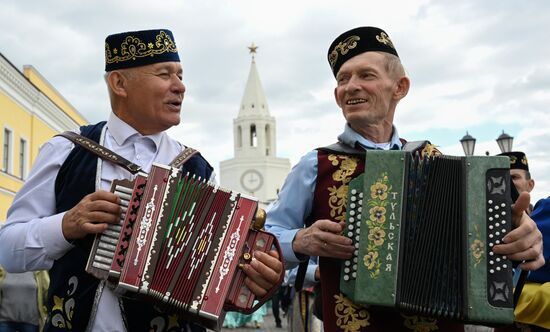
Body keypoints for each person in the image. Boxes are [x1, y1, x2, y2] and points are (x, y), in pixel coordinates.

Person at [0, 29, 283, 332]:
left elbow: (214, 281)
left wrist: (254, 277)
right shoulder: (66, 150)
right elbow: (7, 250)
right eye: (165, 74)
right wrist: (65, 225)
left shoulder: (198, 169)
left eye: (181, 75)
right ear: (119, 83)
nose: (181, 87)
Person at [265, 26, 544, 332]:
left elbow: (490, 243)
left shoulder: (438, 161)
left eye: (366, 76)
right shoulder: (315, 164)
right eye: (343, 79)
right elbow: (264, 239)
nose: (351, 87)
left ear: (400, 87)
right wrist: (300, 240)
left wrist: (524, 234)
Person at [0, 266, 49, 332]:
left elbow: (47, 292)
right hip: (5, 322)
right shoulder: (2, 267)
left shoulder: (39, 269)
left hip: (31, 322)